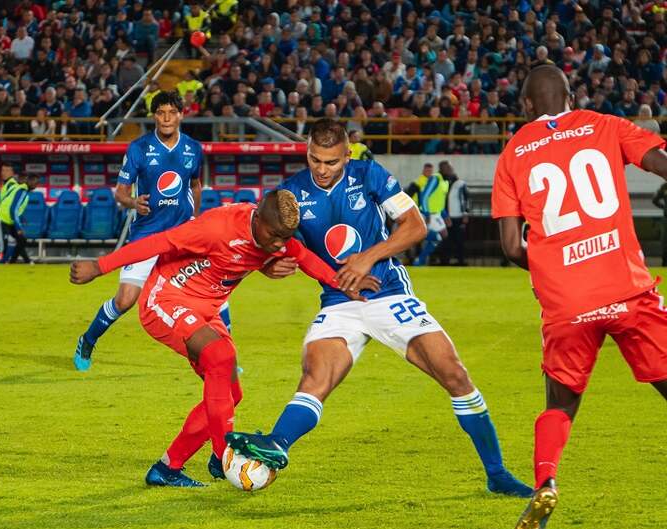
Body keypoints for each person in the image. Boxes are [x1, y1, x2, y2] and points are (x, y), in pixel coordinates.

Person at [226, 119, 531, 498]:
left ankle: (497, 474)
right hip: (339, 301)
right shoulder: (290, 195)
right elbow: (269, 250)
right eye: (315, 160)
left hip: (389, 294)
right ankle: (276, 444)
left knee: (453, 374)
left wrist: (366, 258)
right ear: (307, 152)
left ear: (347, 155)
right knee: (315, 377)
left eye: (332, 162)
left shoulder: (369, 174)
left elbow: (414, 225)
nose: (322, 169)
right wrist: (274, 267)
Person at [69, 190, 374, 486]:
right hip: (166, 299)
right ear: (257, 219)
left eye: (285, 237)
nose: (280, 244)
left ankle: (167, 467)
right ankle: (222, 456)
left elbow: (304, 257)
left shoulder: (275, 237)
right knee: (220, 357)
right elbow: (158, 242)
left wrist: (343, 285)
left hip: (207, 310)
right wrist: (100, 266)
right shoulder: (216, 228)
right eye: (274, 236)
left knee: (231, 395)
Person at [492, 65, 667, 529]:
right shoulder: (605, 124)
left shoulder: (512, 153)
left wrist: (552, 269)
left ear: (526, 106)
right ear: (571, 95)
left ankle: (546, 481)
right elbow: (659, 165)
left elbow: (510, 245)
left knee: (561, 401)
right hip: (627, 289)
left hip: (566, 302)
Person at [73, 91, 206, 371]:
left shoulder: (193, 148)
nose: (167, 118)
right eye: (161, 113)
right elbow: (120, 193)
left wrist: (195, 218)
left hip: (182, 236)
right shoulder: (138, 148)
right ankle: (88, 339)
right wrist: (134, 202)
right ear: (154, 116)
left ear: (181, 115)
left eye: (172, 112)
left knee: (206, 295)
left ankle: (219, 355)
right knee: (125, 300)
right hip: (147, 235)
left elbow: (195, 184)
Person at [0, 173, 39, 264]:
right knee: (3, 247)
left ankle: (12, 262)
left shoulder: (22, 190)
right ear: (28, 181)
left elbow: (13, 206)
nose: (36, 184)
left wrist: (21, 217)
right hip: (2, 219)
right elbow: (13, 209)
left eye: (37, 182)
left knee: (21, 240)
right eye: (34, 181)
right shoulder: (22, 191)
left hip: (9, 220)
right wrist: (18, 227)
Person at [412, 162, 450, 266]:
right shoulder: (434, 179)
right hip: (428, 213)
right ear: (441, 168)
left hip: (436, 213)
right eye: (448, 168)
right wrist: (427, 213)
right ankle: (420, 259)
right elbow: (424, 196)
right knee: (439, 236)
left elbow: (439, 200)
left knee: (441, 236)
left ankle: (420, 258)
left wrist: (445, 215)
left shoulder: (444, 182)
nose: (450, 170)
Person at [438, 161, 469, 266]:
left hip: (458, 217)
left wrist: (465, 213)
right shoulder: (440, 182)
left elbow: (466, 199)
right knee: (445, 240)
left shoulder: (460, 183)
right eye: (445, 168)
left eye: (449, 168)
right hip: (445, 216)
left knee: (459, 240)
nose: (448, 170)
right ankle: (444, 261)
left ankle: (460, 260)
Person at [653, 180, 667, 265]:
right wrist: (664, 207)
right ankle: (665, 264)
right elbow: (655, 200)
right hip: (666, 219)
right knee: (665, 242)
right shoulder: (664, 187)